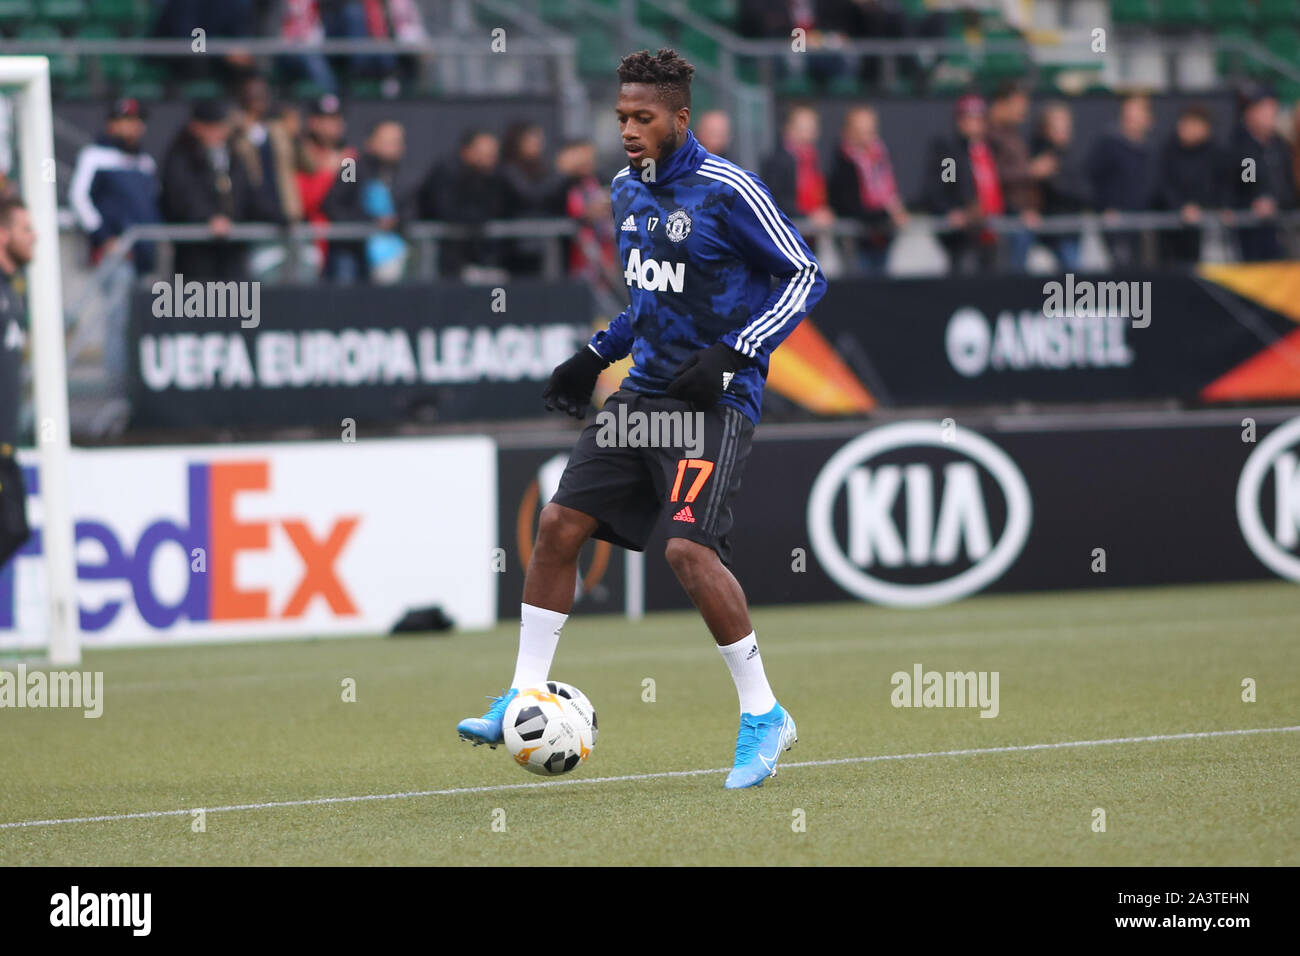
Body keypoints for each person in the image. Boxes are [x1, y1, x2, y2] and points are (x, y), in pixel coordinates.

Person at [456, 48, 827, 790]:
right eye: (621, 115)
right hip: (644, 397)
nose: (627, 129)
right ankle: (524, 693)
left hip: (713, 404)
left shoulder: (728, 191)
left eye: (643, 117)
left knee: (688, 554)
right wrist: (594, 356)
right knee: (559, 526)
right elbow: (648, 303)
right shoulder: (625, 191)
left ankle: (764, 715)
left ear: (679, 120)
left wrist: (736, 350)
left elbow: (807, 275)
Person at [160, 99, 272, 280]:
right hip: (196, 251)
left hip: (232, 249)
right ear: (196, 127)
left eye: (222, 126)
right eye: (212, 126)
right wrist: (207, 218)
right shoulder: (181, 157)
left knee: (235, 303)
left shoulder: (234, 156)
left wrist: (278, 215)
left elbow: (249, 195)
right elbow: (179, 197)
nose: (219, 133)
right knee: (200, 304)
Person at [922, 92, 1004, 274]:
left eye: (978, 118)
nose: (973, 123)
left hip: (994, 230)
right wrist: (956, 209)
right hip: (966, 235)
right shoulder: (951, 153)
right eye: (968, 117)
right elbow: (943, 186)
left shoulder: (990, 149)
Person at [320, 119, 408, 283]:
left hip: (386, 254)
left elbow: (409, 209)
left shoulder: (400, 175)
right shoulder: (351, 166)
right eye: (388, 142)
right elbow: (332, 205)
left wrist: (396, 222)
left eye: (397, 142)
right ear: (371, 142)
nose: (394, 147)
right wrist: (369, 223)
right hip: (350, 252)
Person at [827, 105, 907, 275]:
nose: (867, 136)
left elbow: (890, 193)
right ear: (848, 131)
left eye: (870, 130)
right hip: (855, 239)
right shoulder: (840, 163)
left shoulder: (881, 156)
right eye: (861, 130)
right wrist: (886, 215)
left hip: (882, 238)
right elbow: (848, 205)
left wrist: (895, 210)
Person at [416, 129, 507, 279]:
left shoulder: (494, 176)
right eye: (485, 152)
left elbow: (497, 208)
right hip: (444, 260)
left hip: (481, 259)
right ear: (467, 151)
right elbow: (445, 210)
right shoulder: (446, 173)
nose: (491, 157)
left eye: (493, 153)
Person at [0, 198, 35, 568]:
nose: (35, 236)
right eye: (26, 229)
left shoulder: (14, 292)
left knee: (16, 529)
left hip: (7, 447)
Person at [1225, 84, 1296, 262]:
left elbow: (1289, 186)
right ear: (1250, 113)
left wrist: (1276, 201)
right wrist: (1256, 202)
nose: (1271, 113)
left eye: (1273, 107)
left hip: (1282, 230)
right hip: (1249, 235)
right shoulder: (1239, 147)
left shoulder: (1279, 146)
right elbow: (1245, 183)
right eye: (1264, 108)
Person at [1086, 92, 1154, 268]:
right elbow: (1092, 181)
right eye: (1128, 114)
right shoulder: (1108, 145)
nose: (1131, 118)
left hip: (1145, 224)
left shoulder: (1150, 150)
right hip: (1117, 225)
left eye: (1137, 113)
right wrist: (1105, 208)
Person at [1154, 104, 1222, 265]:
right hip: (1169, 229)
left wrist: (1208, 206)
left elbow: (1224, 184)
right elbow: (1161, 184)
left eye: (1194, 124)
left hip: (1205, 231)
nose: (1187, 129)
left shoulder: (1217, 154)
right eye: (1185, 123)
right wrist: (1180, 207)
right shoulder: (1166, 151)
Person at [498, 120, 565, 276]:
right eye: (532, 140)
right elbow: (531, 197)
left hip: (542, 246)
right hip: (514, 246)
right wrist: (561, 173)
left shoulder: (543, 169)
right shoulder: (507, 170)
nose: (538, 145)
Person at [985, 82, 1039, 271]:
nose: (1023, 112)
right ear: (1001, 104)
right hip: (1001, 217)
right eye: (1018, 106)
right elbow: (988, 175)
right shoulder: (986, 135)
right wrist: (1029, 171)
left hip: (1020, 215)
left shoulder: (1013, 133)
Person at [1029, 101, 1088, 270]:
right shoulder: (1037, 154)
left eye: (1066, 126)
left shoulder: (1072, 157)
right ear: (1045, 128)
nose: (1063, 132)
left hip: (1071, 230)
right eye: (1057, 126)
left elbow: (1084, 192)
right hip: (1044, 234)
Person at [761, 104, 835, 231]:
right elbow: (775, 200)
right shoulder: (776, 161)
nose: (808, 133)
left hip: (815, 232)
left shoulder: (817, 159)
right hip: (788, 231)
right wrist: (808, 216)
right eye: (803, 128)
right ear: (788, 129)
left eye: (812, 128)